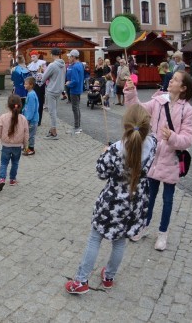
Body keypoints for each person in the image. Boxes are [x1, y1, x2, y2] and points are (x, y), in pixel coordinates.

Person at [64, 104, 157, 294]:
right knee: (120, 240)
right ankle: (109, 277)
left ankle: (81, 281)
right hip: (135, 202)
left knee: (95, 237)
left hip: (113, 202)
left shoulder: (116, 149)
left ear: (126, 125)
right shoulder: (153, 143)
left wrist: (104, 153)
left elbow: (101, 172)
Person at [126, 70, 192, 251]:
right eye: (171, 79)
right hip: (153, 158)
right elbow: (137, 111)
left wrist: (172, 137)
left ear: (183, 88)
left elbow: (188, 139)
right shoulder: (158, 101)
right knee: (148, 196)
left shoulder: (187, 110)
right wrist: (132, 92)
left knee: (168, 199)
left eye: (175, 80)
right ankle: (144, 226)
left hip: (171, 160)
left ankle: (163, 234)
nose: (170, 81)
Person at [41, 48, 66, 140]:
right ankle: (52, 129)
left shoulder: (52, 65)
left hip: (51, 90)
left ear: (52, 54)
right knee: (54, 110)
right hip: (59, 89)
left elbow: (44, 78)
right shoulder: (63, 64)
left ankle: (54, 132)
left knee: (52, 112)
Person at [65, 50, 84, 135]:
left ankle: (77, 127)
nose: (68, 58)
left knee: (75, 108)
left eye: (70, 56)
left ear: (73, 57)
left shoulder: (76, 66)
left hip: (74, 89)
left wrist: (69, 84)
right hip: (77, 89)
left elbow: (75, 80)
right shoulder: (79, 65)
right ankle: (77, 126)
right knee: (76, 108)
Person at [28, 51, 47, 126]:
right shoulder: (30, 65)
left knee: (40, 102)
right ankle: (33, 118)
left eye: (34, 56)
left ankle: (39, 120)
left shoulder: (42, 63)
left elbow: (45, 73)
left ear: (37, 56)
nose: (33, 58)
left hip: (41, 85)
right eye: (32, 56)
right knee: (33, 101)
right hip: (33, 85)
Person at [22, 76, 39, 156]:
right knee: (27, 133)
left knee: (31, 135)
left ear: (31, 85)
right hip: (29, 118)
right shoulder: (30, 93)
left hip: (32, 119)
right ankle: (26, 146)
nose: (24, 85)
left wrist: (28, 119)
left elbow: (31, 108)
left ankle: (31, 149)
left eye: (26, 84)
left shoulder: (31, 95)